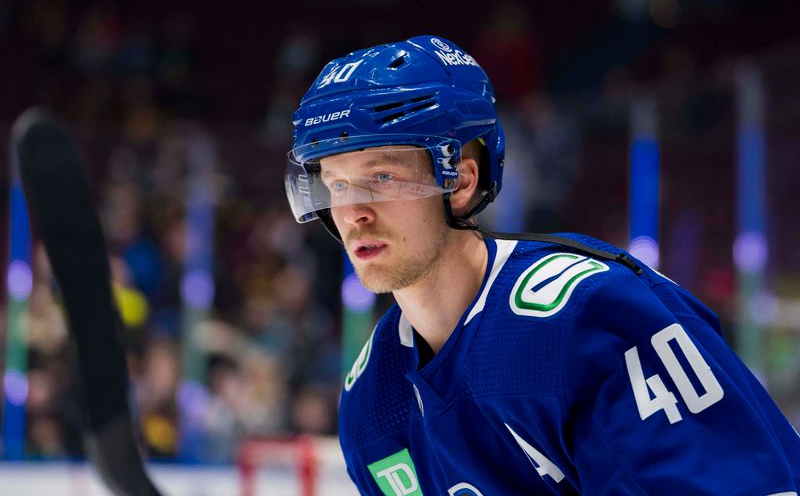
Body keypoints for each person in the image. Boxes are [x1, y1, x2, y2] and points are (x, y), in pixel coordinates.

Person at [284, 36, 800, 495]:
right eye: (336, 183)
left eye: (383, 176)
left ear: (461, 182)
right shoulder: (373, 401)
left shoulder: (590, 316)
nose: (352, 212)